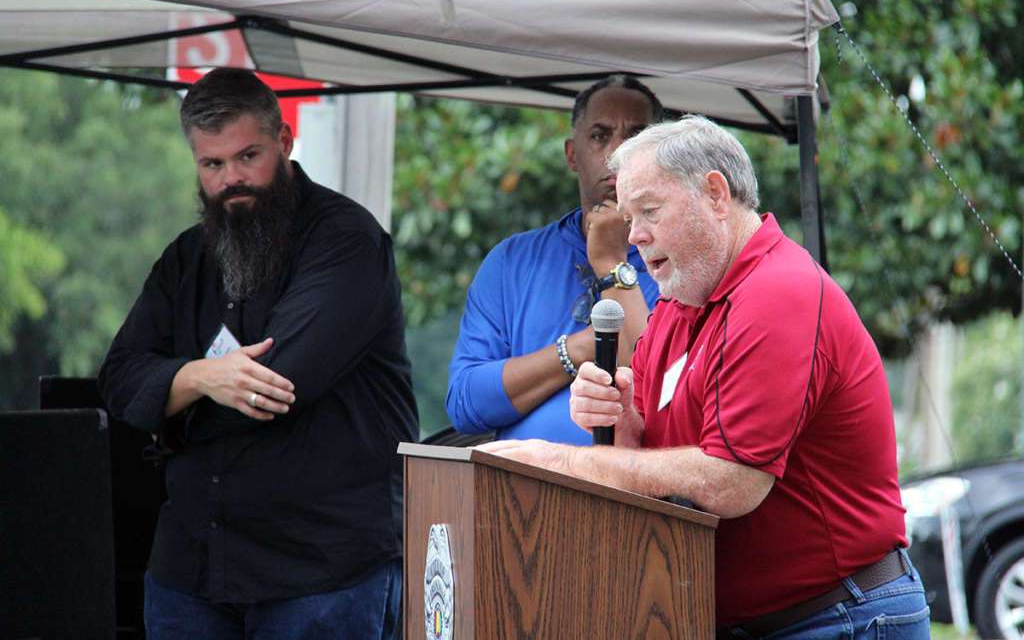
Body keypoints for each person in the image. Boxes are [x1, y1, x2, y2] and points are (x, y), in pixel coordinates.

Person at [481, 116, 929, 638]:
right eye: (629, 218)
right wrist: (623, 427)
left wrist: (567, 461)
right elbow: (654, 468)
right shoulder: (678, 303)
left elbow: (731, 480)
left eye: (649, 211)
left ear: (716, 193)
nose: (635, 236)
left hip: (837, 616)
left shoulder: (779, 291)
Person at [98, 68, 417, 639]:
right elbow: (118, 377)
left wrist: (166, 409)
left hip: (321, 572)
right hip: (191, 570)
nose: (231, 180)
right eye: (212, 165)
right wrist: (198, 376)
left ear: (285, 143)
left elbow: (274, 385)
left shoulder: (347, 239)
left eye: (248, 156)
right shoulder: (185, 259)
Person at [446, 75, 663, 443]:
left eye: (636, 136)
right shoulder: (512, 260)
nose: (616, 154)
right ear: (571, 155)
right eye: (599, 136)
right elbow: (466, 403)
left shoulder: (679, 261)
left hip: (635, 494)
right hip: (517, 495)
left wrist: (612, 264)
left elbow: (660, 398)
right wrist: (579, 348)